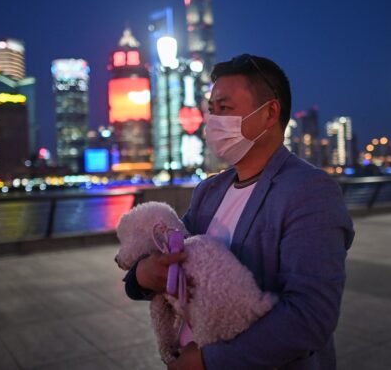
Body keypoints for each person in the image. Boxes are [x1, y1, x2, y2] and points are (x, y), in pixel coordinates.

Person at [123, 54, 355, 369]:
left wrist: (209, 362)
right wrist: (142, 274)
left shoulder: (310, 192)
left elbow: (310, 316)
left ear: (270, 112)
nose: (213, 121)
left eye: (225, 109)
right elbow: (171, 259)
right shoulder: (209, 192)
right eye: (211, 110)